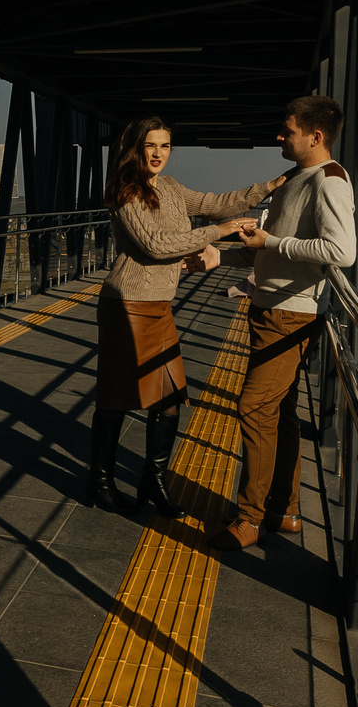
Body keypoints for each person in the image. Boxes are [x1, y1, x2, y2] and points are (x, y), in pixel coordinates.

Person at [88, 116, 286, 516]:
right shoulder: (126, 191)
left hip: (157, 306)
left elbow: (215, 204)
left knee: (169, 398)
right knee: (116, 397)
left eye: (165, 146)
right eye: (151, 146)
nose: (159, 153)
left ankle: (153, 479)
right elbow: (157, 245)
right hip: (127, 303)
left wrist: (268, 187)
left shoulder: (173, 188)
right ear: (135, 148)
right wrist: (220, 232)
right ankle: (100, 482)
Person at [223, 94, 356, 551]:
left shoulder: (330, 181)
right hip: (273, 306)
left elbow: (341, 252)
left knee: (253, 408)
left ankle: (249, 518)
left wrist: (272, 242)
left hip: (291, 313)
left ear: (315, 136)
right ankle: (286, 510)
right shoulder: (295, 179)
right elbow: (266, 245)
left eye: (288, 130)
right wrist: (214, 256)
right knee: (277, 412)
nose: (280, 135)